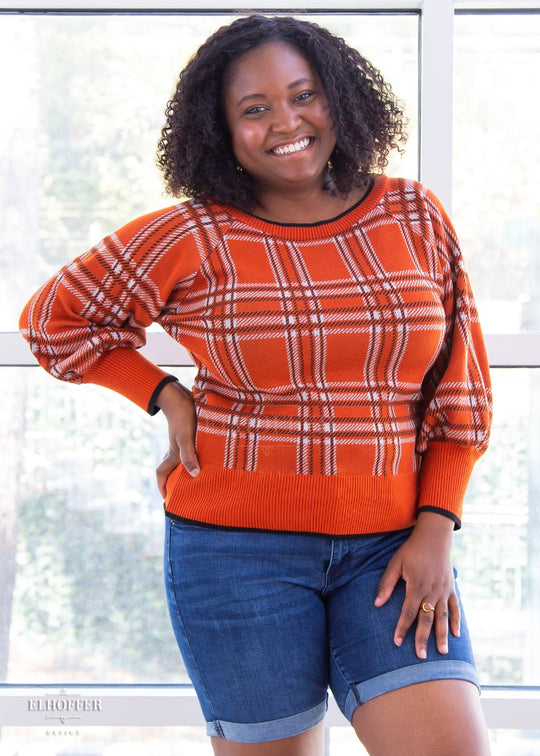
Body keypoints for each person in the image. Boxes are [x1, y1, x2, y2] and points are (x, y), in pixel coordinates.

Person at [20, 14, 493, 756]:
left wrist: (437, 524)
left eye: (304, 95)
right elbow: (55, 319)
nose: (287, 122)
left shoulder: (412, 213)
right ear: (221, 130)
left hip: (394, 547)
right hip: (236, 554)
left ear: (340, 97)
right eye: (255, 108)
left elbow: (459, 393)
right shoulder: (193, 235)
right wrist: (164, 393)